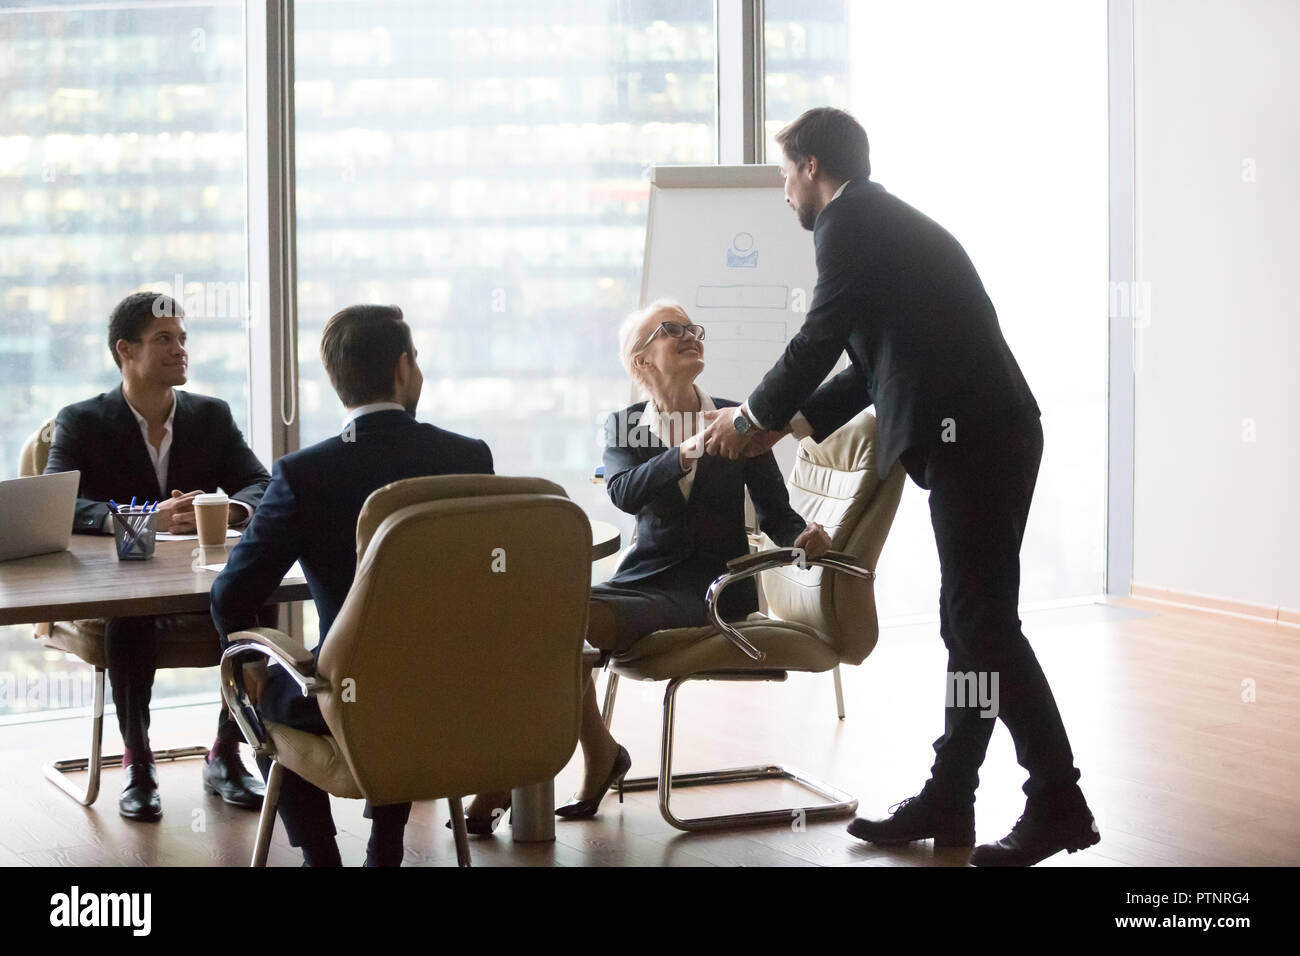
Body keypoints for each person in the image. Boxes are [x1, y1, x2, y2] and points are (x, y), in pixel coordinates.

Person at [699, 107, 1099, 867]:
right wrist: (779, 426)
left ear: (813, 167)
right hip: (983, 435)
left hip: (978, 438)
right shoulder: (880, 226)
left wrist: (750, 415)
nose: (784, 194)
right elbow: (872, 363)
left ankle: (1059, 800)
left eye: (786, 177)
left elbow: (817, 338)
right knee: (971, 624)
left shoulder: (848, 224)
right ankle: (953, 795)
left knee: (982, 625)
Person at [459, 300, 831, 829]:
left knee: (563, 621)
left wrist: (804, 537)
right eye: (672, 330)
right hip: (641, 579)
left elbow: (775, 512)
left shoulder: (740, 418)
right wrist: (689, 450)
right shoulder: (624, 427)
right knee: (543, 613)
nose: (690, 335)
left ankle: (529, 771)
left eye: (693, 328)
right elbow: (624, 493)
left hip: (713, 590)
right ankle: (597, 753)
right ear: (641, 361)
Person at [209, 304, 493, 867]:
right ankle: (386, 846)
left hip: (351, 700)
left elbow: (231, 593)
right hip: (458, 694)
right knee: (407, 670)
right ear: (404, 367)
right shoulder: (468, 457)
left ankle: (320, 857)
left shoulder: (305, 473)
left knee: (263, 694)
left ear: (338, 382)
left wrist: (252, 666)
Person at [44, 291, 272, 822]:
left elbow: (260, 483)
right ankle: (138, 762)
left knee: (253, 605)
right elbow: (58, 500)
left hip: (198, 579)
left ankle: (226, 752)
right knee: (132, 616)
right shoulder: (81, 420)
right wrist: (139, 518)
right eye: (164, 340)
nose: (180, 350)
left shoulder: (211, 416)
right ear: (125, 350)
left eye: (183, 340)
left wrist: (230, 509)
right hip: (121, 585)